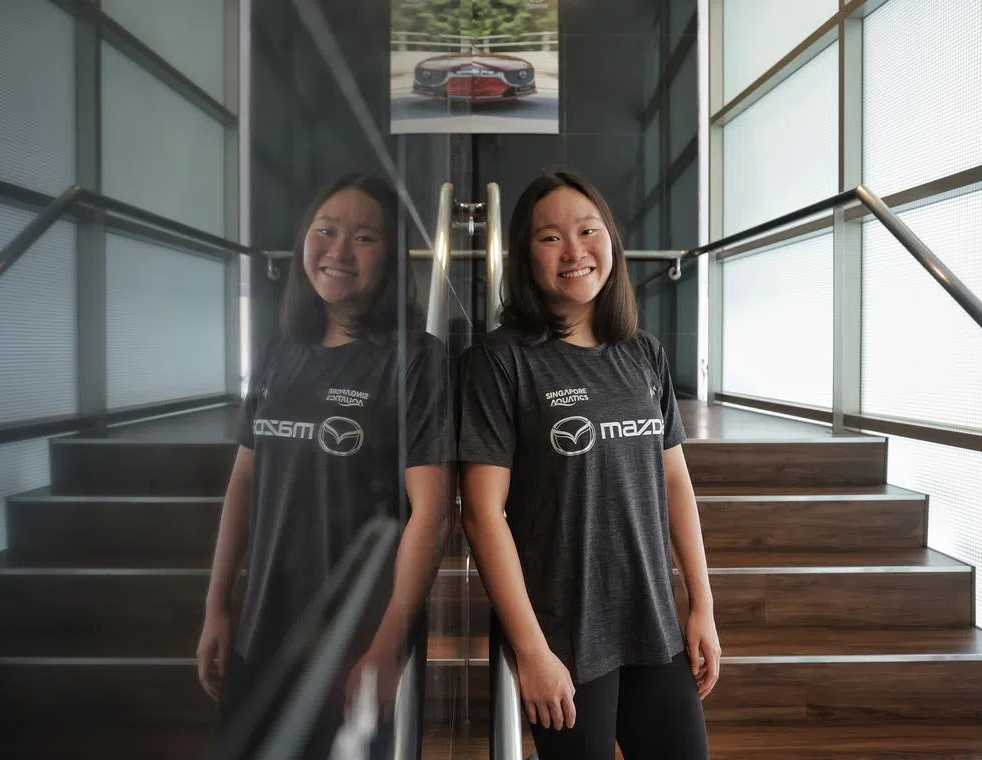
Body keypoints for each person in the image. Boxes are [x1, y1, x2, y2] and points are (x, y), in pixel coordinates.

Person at [457, 171, 719, 759]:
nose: (574, 251)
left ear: (611, 242)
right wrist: (530, 649)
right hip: (564, 636)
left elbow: (674, 479)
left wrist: (701, 605)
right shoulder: (500, 363)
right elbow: (481, 514)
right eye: (550, 238)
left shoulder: (641, 351)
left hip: (652, 622)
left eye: (587, 230)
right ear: (525, 256)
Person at [197, 174, 453, 756]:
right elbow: (244, 482)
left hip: (352, 643)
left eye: (364, 238)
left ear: (390, 255)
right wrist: (217, 607)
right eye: (325, 231)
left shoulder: (416, 362)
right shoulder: (279, 350)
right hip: (263, 630)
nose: (338, 251)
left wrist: (388, 646)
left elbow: (432, 513)